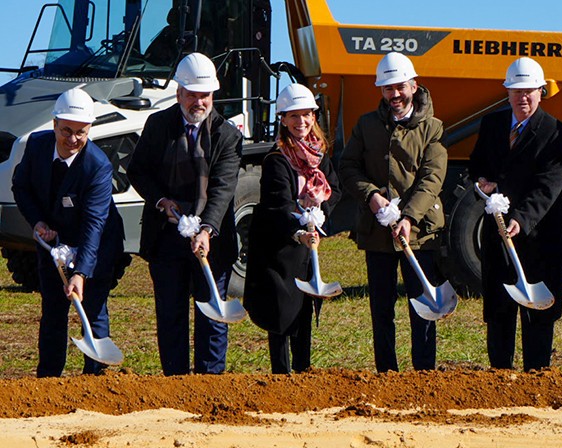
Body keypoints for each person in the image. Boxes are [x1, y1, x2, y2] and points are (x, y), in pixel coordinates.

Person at [127, 52, 242, 376]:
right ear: (179, 93)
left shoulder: (227, 135)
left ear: (213, 95)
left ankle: (210, 385)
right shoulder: (158, 125)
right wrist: (161, 200)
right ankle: (175, 385)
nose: (198, 102)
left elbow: (222, 188)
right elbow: (138, 171)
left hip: (211, 240)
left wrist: (206, 229)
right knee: (171, 315)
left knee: (212, 318)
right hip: (166, 239)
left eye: (204, 95)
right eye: (191, 94)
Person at [339, 52, 447, 372]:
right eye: (387, 88)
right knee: (381, 308)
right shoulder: (366, 125)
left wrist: (410, 218)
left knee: (423, 306)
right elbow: (348, 167)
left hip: (419, 233)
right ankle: (387, 373)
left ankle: (423, 374)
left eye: (400, 86)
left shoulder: (433, 128)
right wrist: (371, 196)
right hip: (378, 233)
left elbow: (432, 178)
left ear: (414, 85)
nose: (394, 94)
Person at [469, 57, 562, 371]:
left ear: (541, 91)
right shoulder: (492, 125)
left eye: (529, 91)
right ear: (508, 93)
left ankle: (537, 374)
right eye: (516, 91)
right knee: (500, 309)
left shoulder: (556, 133)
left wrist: (521, 218)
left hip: (538, 236)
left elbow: (548, 185)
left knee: (537, 313)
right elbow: (476, 165)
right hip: (498, 234)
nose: (522, 97)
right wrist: (482, 183)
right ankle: (500, 374)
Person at [12, 88, 124, 377]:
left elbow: (94, 223)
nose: (73, 139)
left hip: (96, 243)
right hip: (54, 242)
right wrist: (37, 222)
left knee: (93, 308)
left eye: (81, 132)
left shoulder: (97, 166)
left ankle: (95, 379)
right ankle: (49, 379)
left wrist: (81, 273)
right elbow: (21, 188)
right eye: (66, 131)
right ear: (54, 124)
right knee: (53, 310)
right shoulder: (36, 146)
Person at [243, 83, 341, 374]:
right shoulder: (277, 159)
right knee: (280, 314)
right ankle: (281, 377)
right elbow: (277, 204)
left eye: (307, 115)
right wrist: (298, 228)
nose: (302, 122)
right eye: (294, 116)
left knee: (302, 312)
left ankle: (304, 371)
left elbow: (334, 189)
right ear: (283, 119)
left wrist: (321, 209)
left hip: (304, 247)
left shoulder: (319, 155)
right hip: (278, 248)